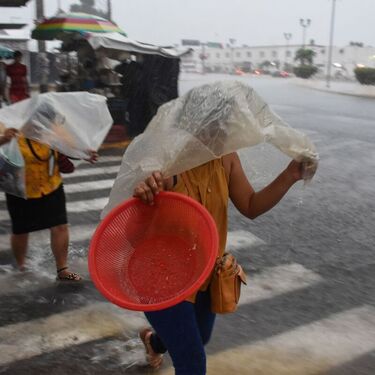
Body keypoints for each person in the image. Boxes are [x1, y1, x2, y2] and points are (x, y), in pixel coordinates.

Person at [133, 153, 316, 374]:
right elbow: (130, 232)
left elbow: (250, 205)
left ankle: (154, 342)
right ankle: (162, 341)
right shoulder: (167, 162)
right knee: (192, 361)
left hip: (204, 273)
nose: (223, 128)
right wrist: (144, 194)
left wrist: (290, 175)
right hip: (161, 278)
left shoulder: (227, 158)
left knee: (200, 336)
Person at [0, 127, 97, 280]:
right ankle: (21, 266)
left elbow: (69, 144)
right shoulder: (8, 123)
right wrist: (4, 139)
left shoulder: (51, 126)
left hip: (51, 184)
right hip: (21, 188)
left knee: (60, 226)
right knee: (21, 230)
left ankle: (62, 269)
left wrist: (84, 153)